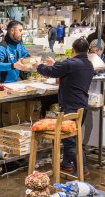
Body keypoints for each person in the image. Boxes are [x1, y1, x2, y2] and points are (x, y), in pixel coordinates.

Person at [33, 38, 94, 177]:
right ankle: (66, 164)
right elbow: (65, 70)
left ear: (73, 50)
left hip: (71, 106)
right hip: (82, 106)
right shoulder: (88, 64)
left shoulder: (72, 63)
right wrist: (55, 64)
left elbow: (53, 72)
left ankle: (82, 169)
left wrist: (38, 66)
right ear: (88, 50)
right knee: (71, 135)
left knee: (69, 140)